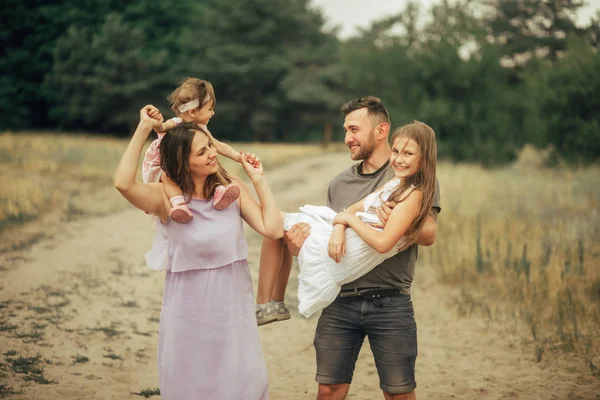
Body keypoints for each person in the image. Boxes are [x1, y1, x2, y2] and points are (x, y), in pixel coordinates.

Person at [261, 97, 441, 399]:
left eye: (354, 130)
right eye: (345, 130)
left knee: (399, 393)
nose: (348, 138)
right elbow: (332, 240)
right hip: (340, 301)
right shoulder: (339, 183)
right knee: (329, 390)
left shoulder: (411, 176)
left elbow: (430, 233)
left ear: (381, 130)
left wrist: (400, 221)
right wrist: (298, 248)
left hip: (391, 302)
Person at [114, 105, 283, 399]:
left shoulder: (232, 188)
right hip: (188, 316)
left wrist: (258, 181)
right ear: (183, 162)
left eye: (210, 147)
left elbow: (273, 230)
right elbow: (123, 183)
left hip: (232, 311)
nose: (212, 154)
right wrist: (143, 128)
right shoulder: (165, 200)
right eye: (202, 152)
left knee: (244, 384)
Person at [261, 120, 436, 319]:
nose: (398, 159)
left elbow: (383, 243)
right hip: (343, 239)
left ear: (424, 159)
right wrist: (339, 226)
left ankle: (253, 179)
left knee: (274, 219)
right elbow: (355, 208)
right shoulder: (395, 183)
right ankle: (273, 304)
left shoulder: (413, 195)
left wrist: (349, 220)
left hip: (356, 254)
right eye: (395, 152)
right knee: (276, 224)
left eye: (408, 153)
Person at [142, 78, 242, 223]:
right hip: (168, 162)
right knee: (167, 177)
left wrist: (238, 157)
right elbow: (161, 128)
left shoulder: (202, 130)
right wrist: (157, 122)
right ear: (193, 112)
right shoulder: (176, 123)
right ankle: (178, 203)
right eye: (209, 109)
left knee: (212, 163)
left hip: (188, 163)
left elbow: (218, 145)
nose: (213, 113)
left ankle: (218, 190)